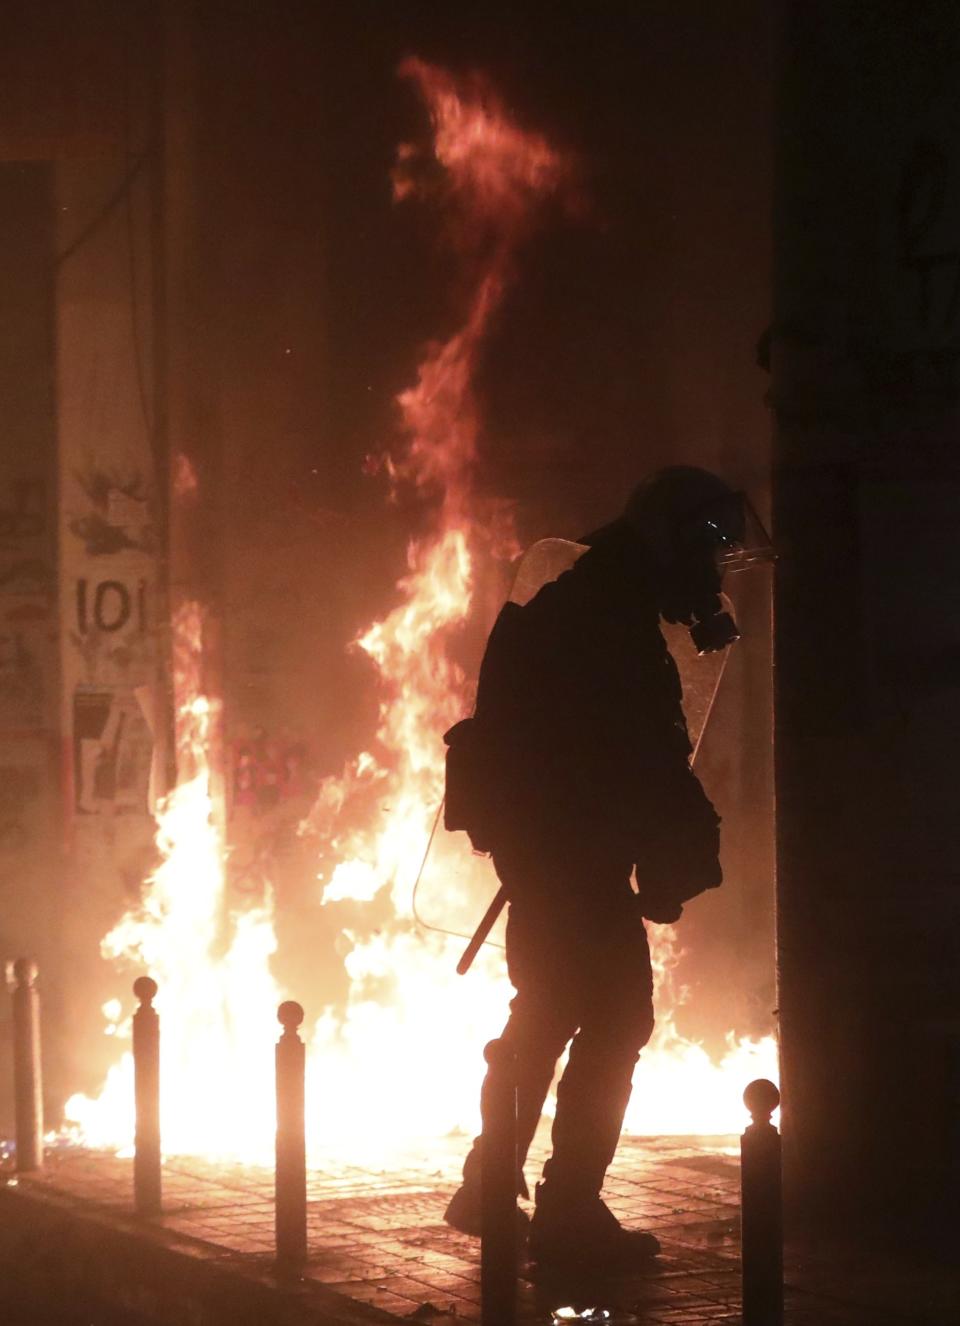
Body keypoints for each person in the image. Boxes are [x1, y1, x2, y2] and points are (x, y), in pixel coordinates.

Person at [443, 467, 755, 1270]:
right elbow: (642, 754)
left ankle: (491, 1184)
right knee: (616, 1020)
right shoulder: (606, 622)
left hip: (553, 855)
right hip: (570, 858)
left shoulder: (582, 604)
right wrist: (683, 837)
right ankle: (569, 1209)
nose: (712, 576)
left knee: (546, 1015)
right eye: (709, 553)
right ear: (672, 544)